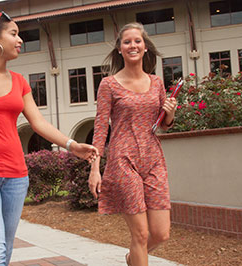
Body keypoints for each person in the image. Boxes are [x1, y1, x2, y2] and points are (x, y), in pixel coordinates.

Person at [0, 11, 98, 266]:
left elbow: (38, 123)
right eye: (13, 33)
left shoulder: (19, 81)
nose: (20, 39)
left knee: (6, 247)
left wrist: (71, 145)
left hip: (16, 175)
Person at [87, 22, 177, 266]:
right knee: (140, 234)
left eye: (137, 41)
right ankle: (138, 255)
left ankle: (133, 258)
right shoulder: (109, 84)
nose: (133, 45)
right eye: (127, 42)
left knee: (161, 233)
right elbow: (99, 127)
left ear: (145, 47)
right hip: (122, 159)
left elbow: (162, 124)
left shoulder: (157, 83)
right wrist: (95, 169)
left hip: (153, 158)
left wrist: (169, 113)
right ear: (119, 49)